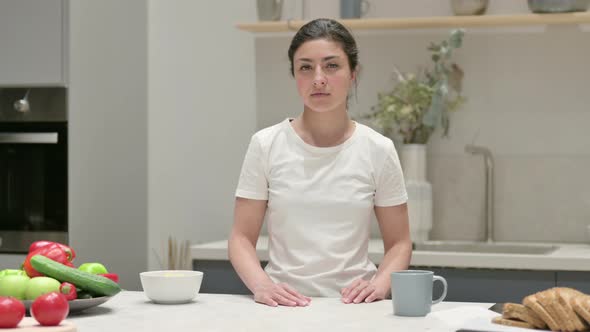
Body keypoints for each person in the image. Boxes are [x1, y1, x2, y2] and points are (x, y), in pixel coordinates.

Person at [228, 18, 411, 307]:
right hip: (282, 310)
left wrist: (379, 285)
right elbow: (240, 238)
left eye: (332, 65)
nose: (318, 78)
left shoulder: (378, 149)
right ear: (294, 74)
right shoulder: (266, 144)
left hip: (355, 310)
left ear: (353, 74)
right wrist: (262, 286)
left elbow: (400, 243)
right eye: (305, 67)